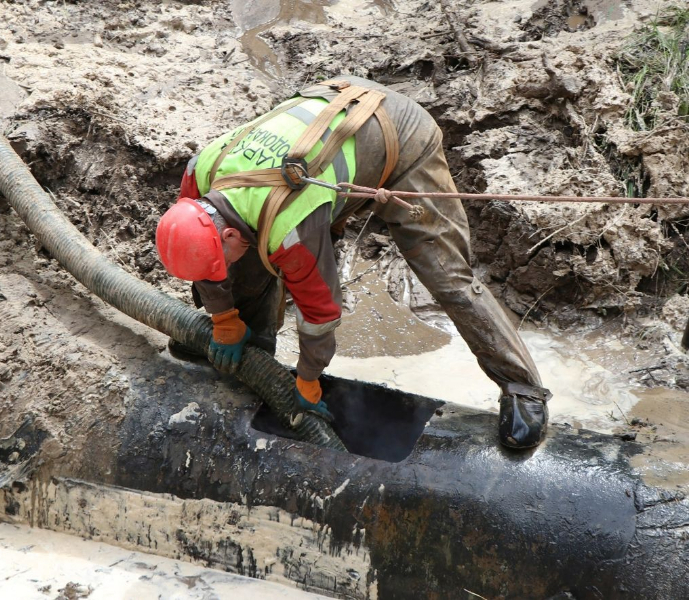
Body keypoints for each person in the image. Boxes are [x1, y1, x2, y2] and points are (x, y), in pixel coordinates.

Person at [155, 75, 552, 449]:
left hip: (398, 132)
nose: (217, 274)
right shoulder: (200, 174)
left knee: (447, 274)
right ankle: (256, 351)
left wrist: (309, 381)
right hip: (326, 131)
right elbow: (207, 262)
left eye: (219, 259)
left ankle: (522, 387)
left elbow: (320, 313)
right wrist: (224, 320)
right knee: (246, 256)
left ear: (224, 233)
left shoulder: (291, 230)